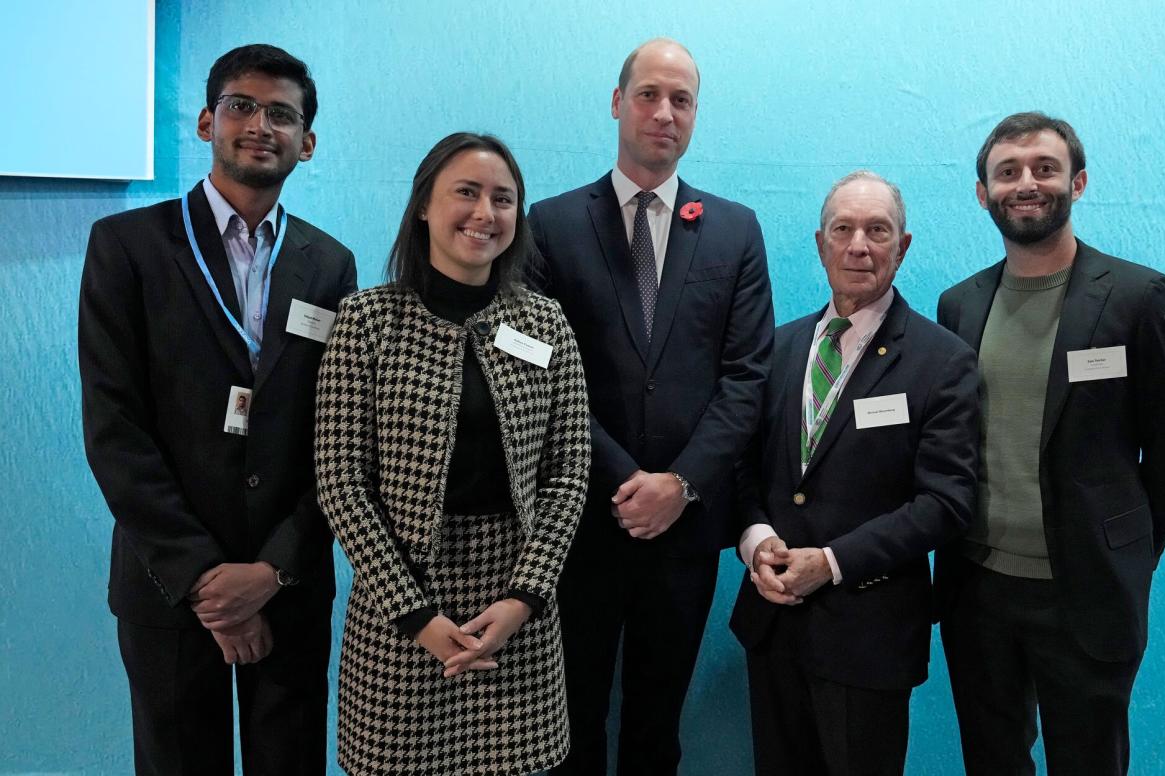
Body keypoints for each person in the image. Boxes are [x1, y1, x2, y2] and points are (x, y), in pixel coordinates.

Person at [79, 44, 356, 775]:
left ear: (308, 141)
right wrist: (208, 582)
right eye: (241, 105)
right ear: (207, 122)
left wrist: (273, 571)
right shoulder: (128, 247)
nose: (259, 124)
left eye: (282, 114)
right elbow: (114, 429)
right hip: (169, 590)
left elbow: (339, 439)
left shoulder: (330, 264)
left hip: (287, 587)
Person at [527, 38, 775, 775]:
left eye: (682, 99)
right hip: (579, 522)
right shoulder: (551, 223)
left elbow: (747, 377)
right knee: (569, 724)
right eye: (648, 94)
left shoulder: (734, 230)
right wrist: (625, 479)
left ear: (695, 114)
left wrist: (681, 484)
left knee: (655, 726)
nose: (664, 113)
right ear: (617, 102)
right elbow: (542, 373)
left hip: (686, 528)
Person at [937, 111, 1165, 775]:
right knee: (991, 761)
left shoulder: (1141, 299)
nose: (1026, 183)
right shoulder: (959, 306)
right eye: (1007, 172)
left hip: (1085, 591)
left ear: (1078, 182)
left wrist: (1127, 545)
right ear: (983, 193)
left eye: (1044, 169)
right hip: (977, 590)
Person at [315, 132, 591, 776]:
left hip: (516, 608)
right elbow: (340, 483)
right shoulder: (366, 322)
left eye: (503, 198)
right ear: (423, 207)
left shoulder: (545, 325)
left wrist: (525, 596)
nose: (484, 213)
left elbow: (569, 474)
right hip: (399, 608)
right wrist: (418, 617)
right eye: (465, 192)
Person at [729, 171, 979, 776]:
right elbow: (742, 467)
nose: (858, 245)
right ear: (821, 244)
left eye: (877, 230)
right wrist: (756, 540)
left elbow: (946, 501)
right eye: (843, 229)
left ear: (903, 246)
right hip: (773, 624)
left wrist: (832, 562)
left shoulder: (943, 360)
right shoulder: (779, 348)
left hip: (868, 635)